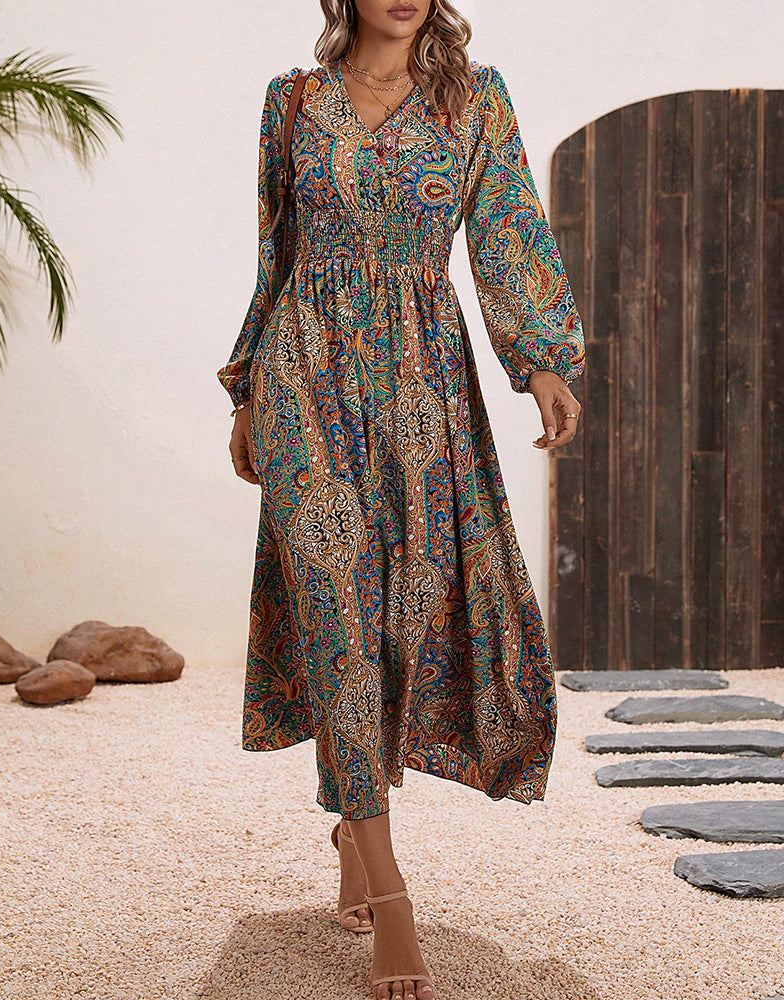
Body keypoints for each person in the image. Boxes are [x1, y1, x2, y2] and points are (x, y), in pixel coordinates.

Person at [217, 1, 585, 996]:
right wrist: (247, 389)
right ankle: (389, 892)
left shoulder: (474, 99)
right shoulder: (293, 102)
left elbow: (507, 232)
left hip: (423, 379)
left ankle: (353, 824)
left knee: (404, 613)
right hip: (304, 372)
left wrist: (541, 364)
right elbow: (275, 254)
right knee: (335, 608)